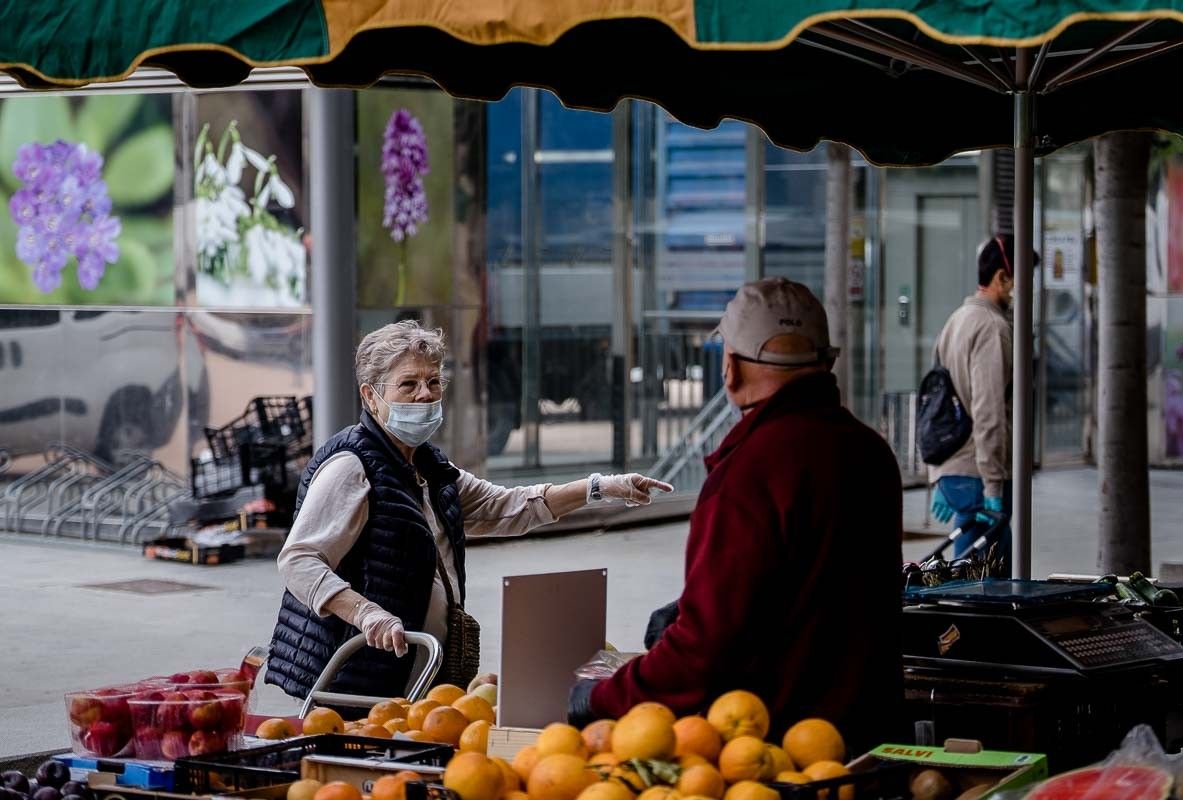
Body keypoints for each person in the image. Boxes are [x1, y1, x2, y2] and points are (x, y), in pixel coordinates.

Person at [569, 277, 903, 752]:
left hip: (779, 755)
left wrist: (601, 696)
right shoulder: (870, 452)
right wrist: (690, 609)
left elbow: (706, 652)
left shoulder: (750, 471)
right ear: (824, 362)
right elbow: (811, 587)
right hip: (872, 743)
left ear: (730, 369)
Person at [265, 321, 672, 702]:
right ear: (371, 396)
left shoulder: (426, 466)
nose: (425, 394)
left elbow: (508, 507)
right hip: (356, 679)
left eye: (433, 382)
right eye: (408, 384)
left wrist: (599, 487)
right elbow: (299, 560)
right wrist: (366, 613)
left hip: (412, 675)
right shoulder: (351, 465)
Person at [927, 235, 1032, 576]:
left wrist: (939, 473)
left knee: (965, 571)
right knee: (989, 583)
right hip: (980, 472)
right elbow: (989, 413)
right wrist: (993, 487)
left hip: (956, 471)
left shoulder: (957, 319)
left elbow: (936, 401)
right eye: (1024, 280)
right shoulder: (992, 327)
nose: (1026, 292)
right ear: (1002, 278)